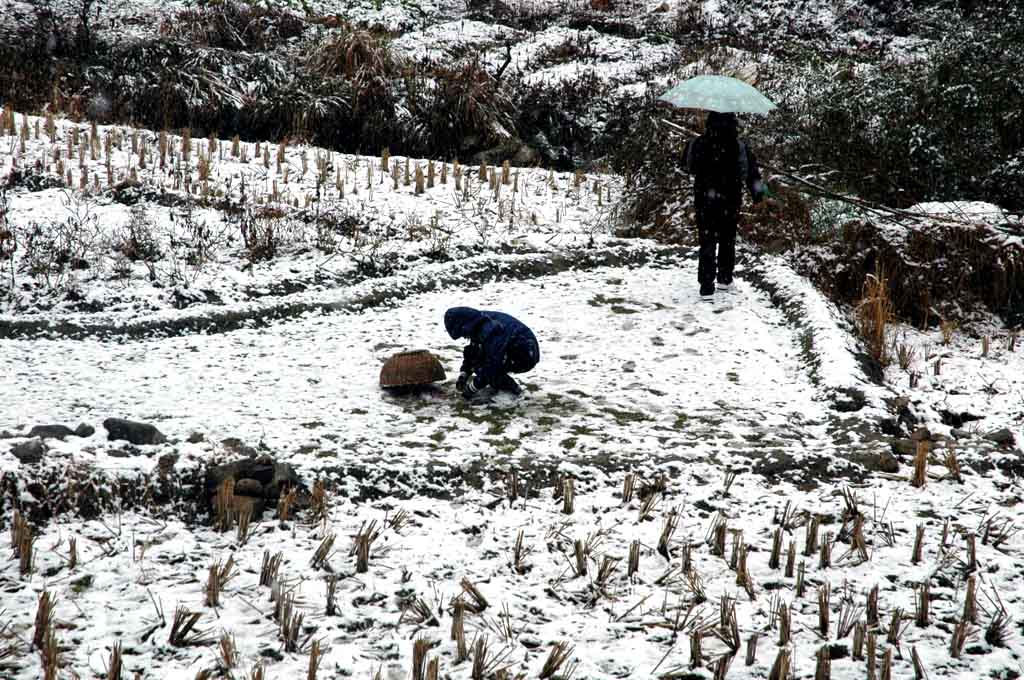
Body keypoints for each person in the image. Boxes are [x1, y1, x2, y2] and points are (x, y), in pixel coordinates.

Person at [683, 111, 767, 301]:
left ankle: (706, 287)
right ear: (733, 124)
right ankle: (724, 278)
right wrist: (759, 196)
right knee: (728, 238)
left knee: (707, 240)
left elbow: (688, 167)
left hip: (704, 199)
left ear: (709, 123)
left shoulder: (697, 144)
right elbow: (751, 174)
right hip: (730, 200)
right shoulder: (739, 147)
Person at [444, 307, 540, 398]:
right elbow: (472, 354)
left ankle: (513, 393)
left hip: (526, 353)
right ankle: (502, 386)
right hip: (510, 347)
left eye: (462, 334)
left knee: (490, 370)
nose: (464, 337)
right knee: (479, 361)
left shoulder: (491, 330)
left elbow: (491, 364)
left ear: (463, 326)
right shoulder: (476, 322)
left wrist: (470, 390)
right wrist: (463, 375)